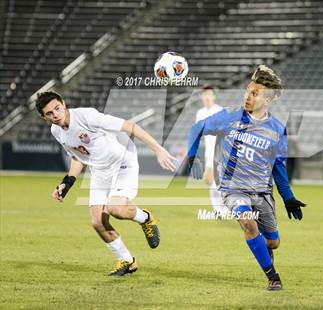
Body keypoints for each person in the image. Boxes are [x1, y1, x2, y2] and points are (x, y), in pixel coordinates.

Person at [187, 65, 307, 290]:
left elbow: (278, 168)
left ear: (267, 100)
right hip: (233, 189)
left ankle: (264, 249)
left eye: (254, 93)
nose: (247, 96)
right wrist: (193, 158)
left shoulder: (277, 130)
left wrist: (288, 197)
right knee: (247, 223)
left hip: (262, 193)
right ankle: (273, 276)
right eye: (247, 91)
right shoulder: (230, 116)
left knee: (273, 242)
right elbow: (196, 129)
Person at [35, 91, 177, 276]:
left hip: (122, 162)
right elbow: (78, 157)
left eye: (57, 108)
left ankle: (145, 218)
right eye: (50, 113)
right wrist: (67, 183)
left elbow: (130, 126)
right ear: (44, 117)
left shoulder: (87, 116)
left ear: (63, 104)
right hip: (100, 171)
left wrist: (158, 150)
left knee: (115, 208)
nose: (56, 114)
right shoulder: (56, 131)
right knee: (97, 222)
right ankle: (127, 260)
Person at [195, 84, 224, 214]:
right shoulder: (200, 113)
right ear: (202, 96)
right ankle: (219, 209)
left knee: (215, 180)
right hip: (209, 150)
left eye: (209, 94)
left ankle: (220, 209)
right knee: (210, 180)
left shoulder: (220, 111)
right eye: (205, 94)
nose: (207, 97)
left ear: (214, 96)